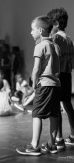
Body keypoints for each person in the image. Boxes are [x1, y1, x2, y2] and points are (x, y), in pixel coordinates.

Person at [16, 16, 61, 156]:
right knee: (55, 114)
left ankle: (34, 146)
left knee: (37, 114)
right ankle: (51, 144)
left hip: (45, 84)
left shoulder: (40, 45)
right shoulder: (56, 46)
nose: (31, 32)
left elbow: (36, 70)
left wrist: (34, 85)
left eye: (32, 29)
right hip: (56, 85)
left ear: (40, 30)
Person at [47, 8, 74, 148]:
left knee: (56, 108)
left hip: (57, 76)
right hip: (67, 75)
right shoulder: (69, 39)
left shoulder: (55, 38)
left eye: (50, 24)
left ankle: (59, 139)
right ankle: (73, 135)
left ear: (56, 23)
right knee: (68, 105)